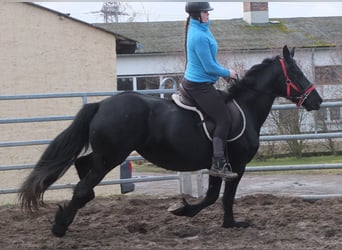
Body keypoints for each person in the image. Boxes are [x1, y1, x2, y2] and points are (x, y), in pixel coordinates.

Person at [181, 2, 238, 179]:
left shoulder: (203, 30)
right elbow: (209, 66)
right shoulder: (198, 35)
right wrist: (228, 72)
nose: (208, 14)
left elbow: (211, 62)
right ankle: (218, 163)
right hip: (198, 86)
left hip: (204, 82)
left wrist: (222, 74)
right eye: (205, 11)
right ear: (197, 14)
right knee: (224, 119)